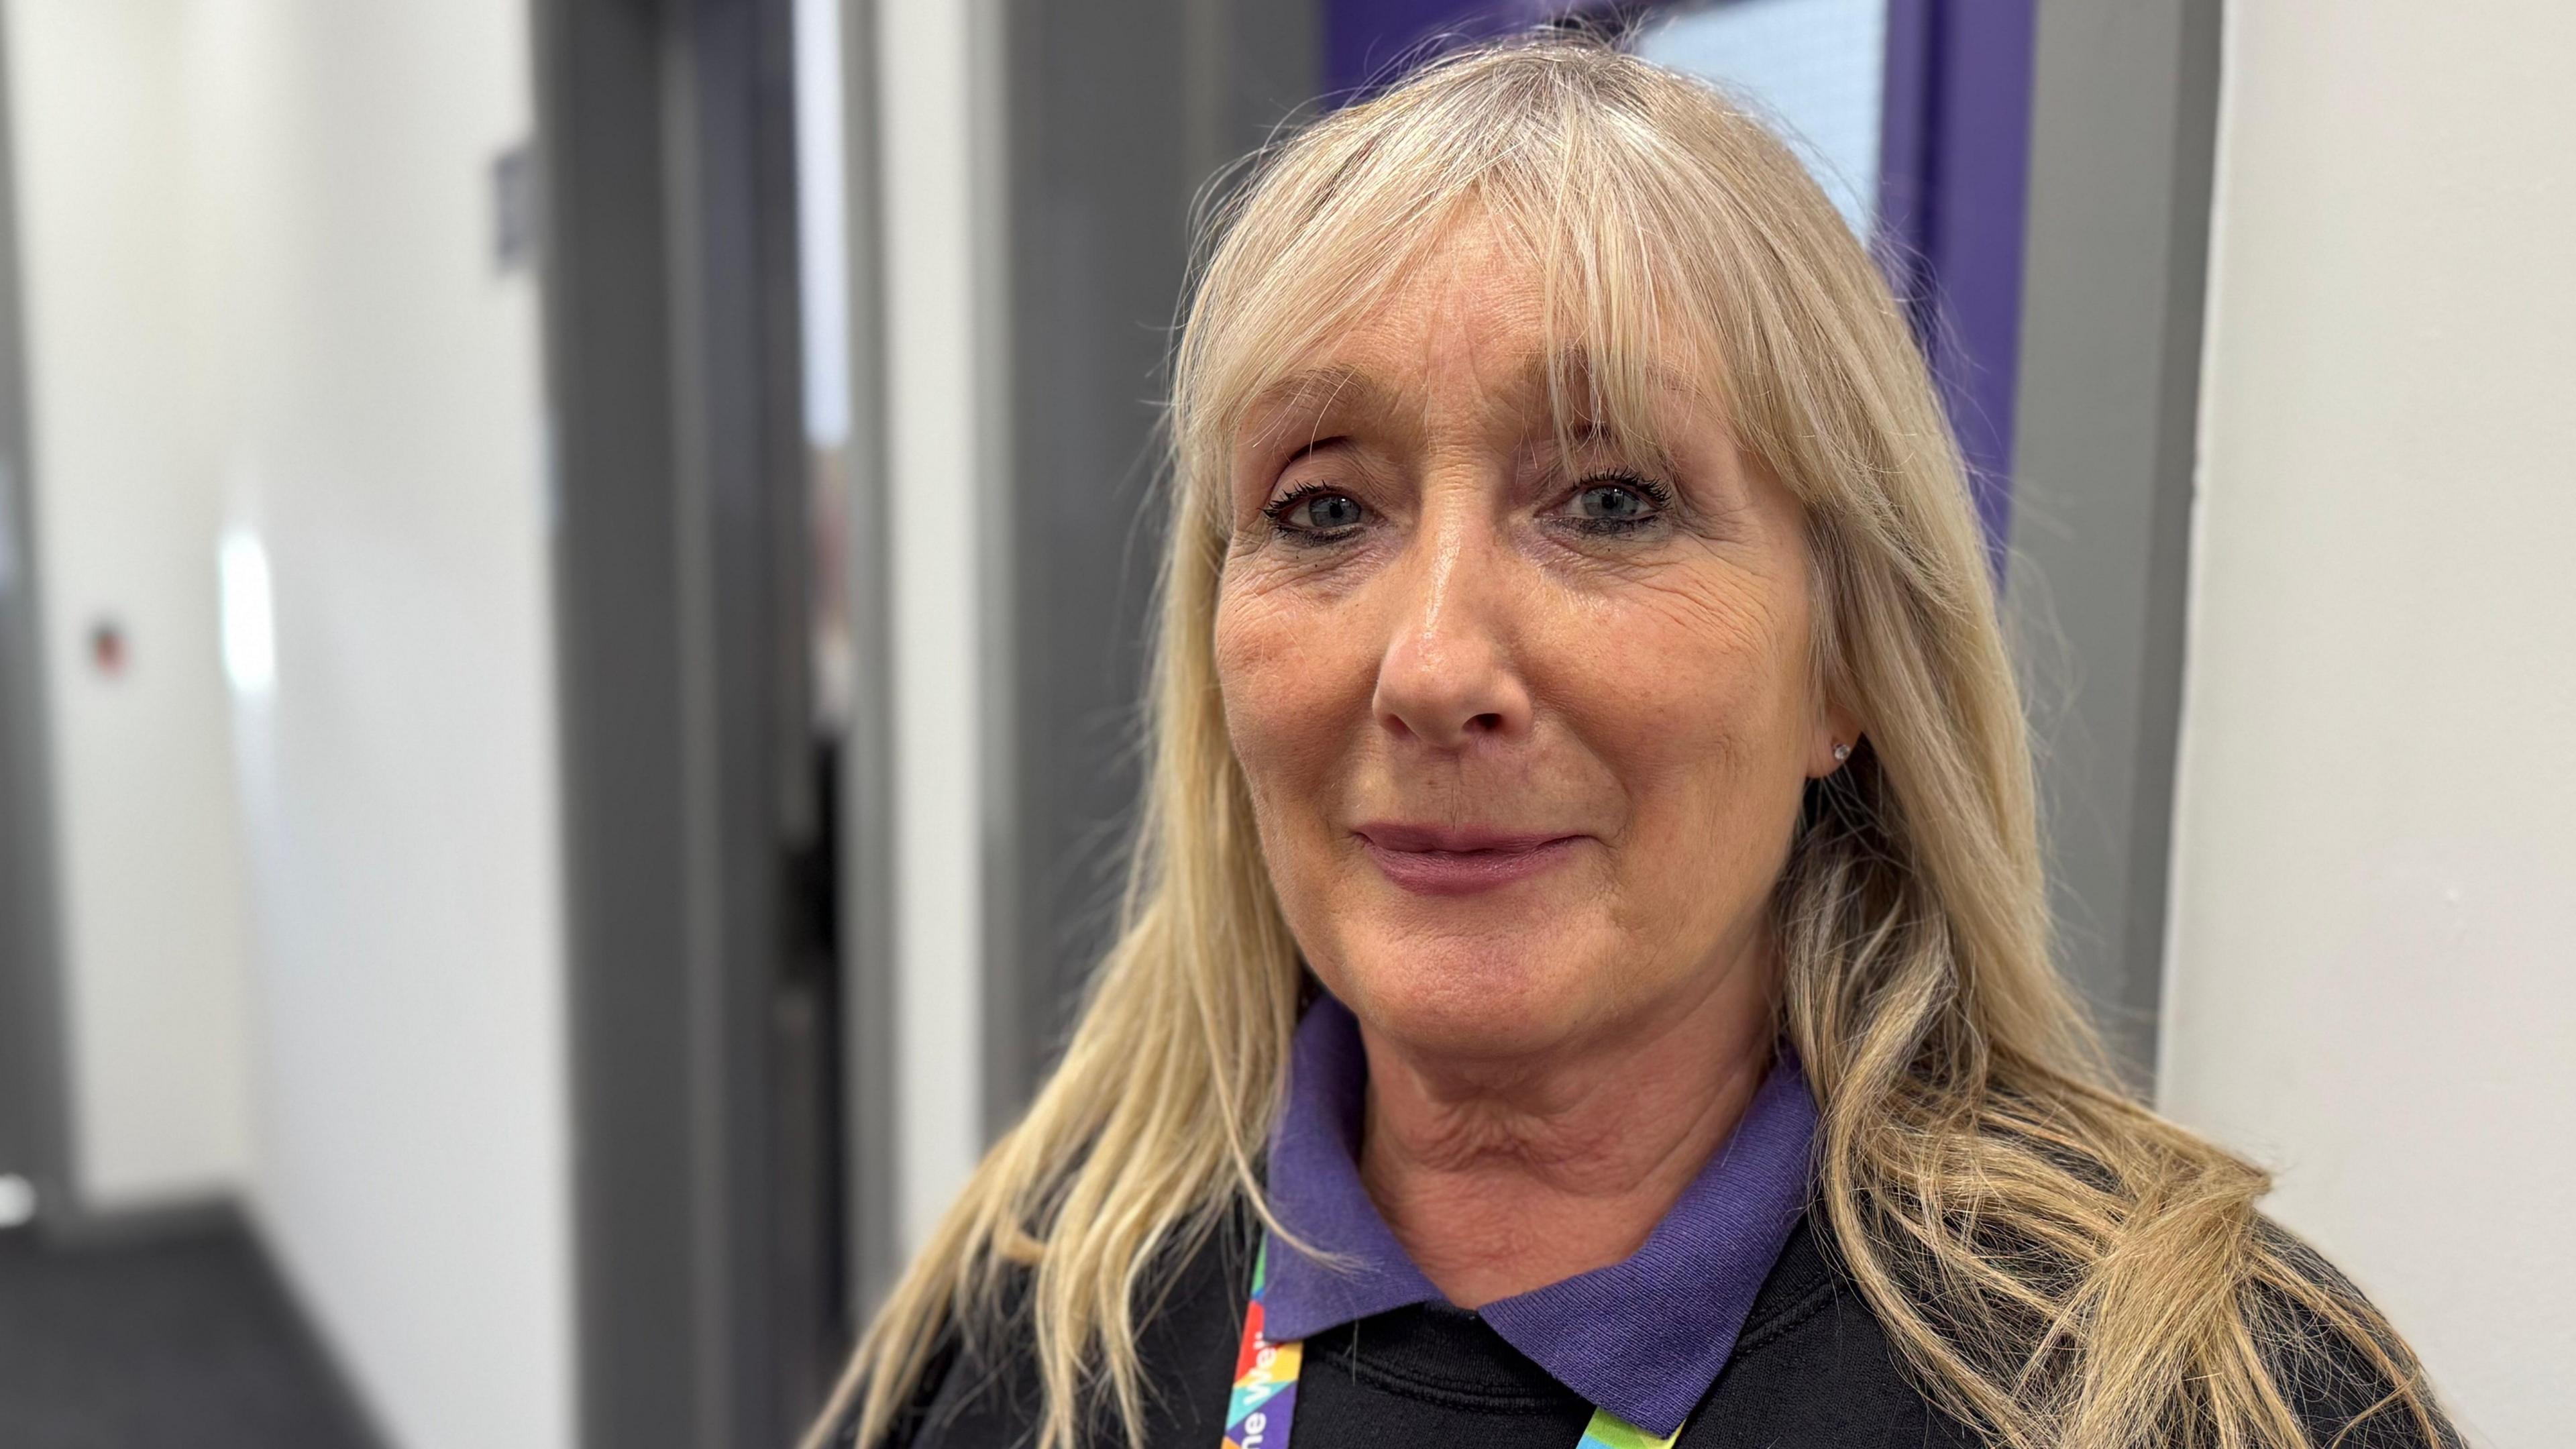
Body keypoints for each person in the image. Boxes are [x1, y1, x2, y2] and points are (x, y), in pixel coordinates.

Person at [812, 38, 2455, 1449]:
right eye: (1323, 509)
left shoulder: (2184, 1394)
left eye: (1612, 499)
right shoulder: (1035, 1326)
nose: (1436, 662)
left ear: (1845, 665)